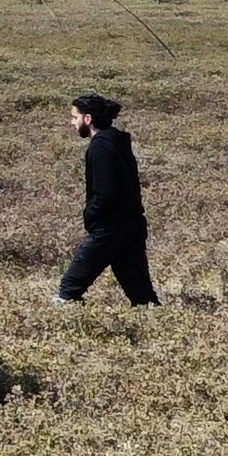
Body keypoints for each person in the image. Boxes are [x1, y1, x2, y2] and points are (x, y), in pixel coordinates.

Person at [56, 91, 155, 305]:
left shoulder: (100, 146)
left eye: (75, 117)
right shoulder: (117, 142)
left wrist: (91, 216)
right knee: (142, 296)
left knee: (69, 288)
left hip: (109, 228)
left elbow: (106, 192)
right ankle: (157, 323)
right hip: (132, 224)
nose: (72, 122)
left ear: (88, 119)